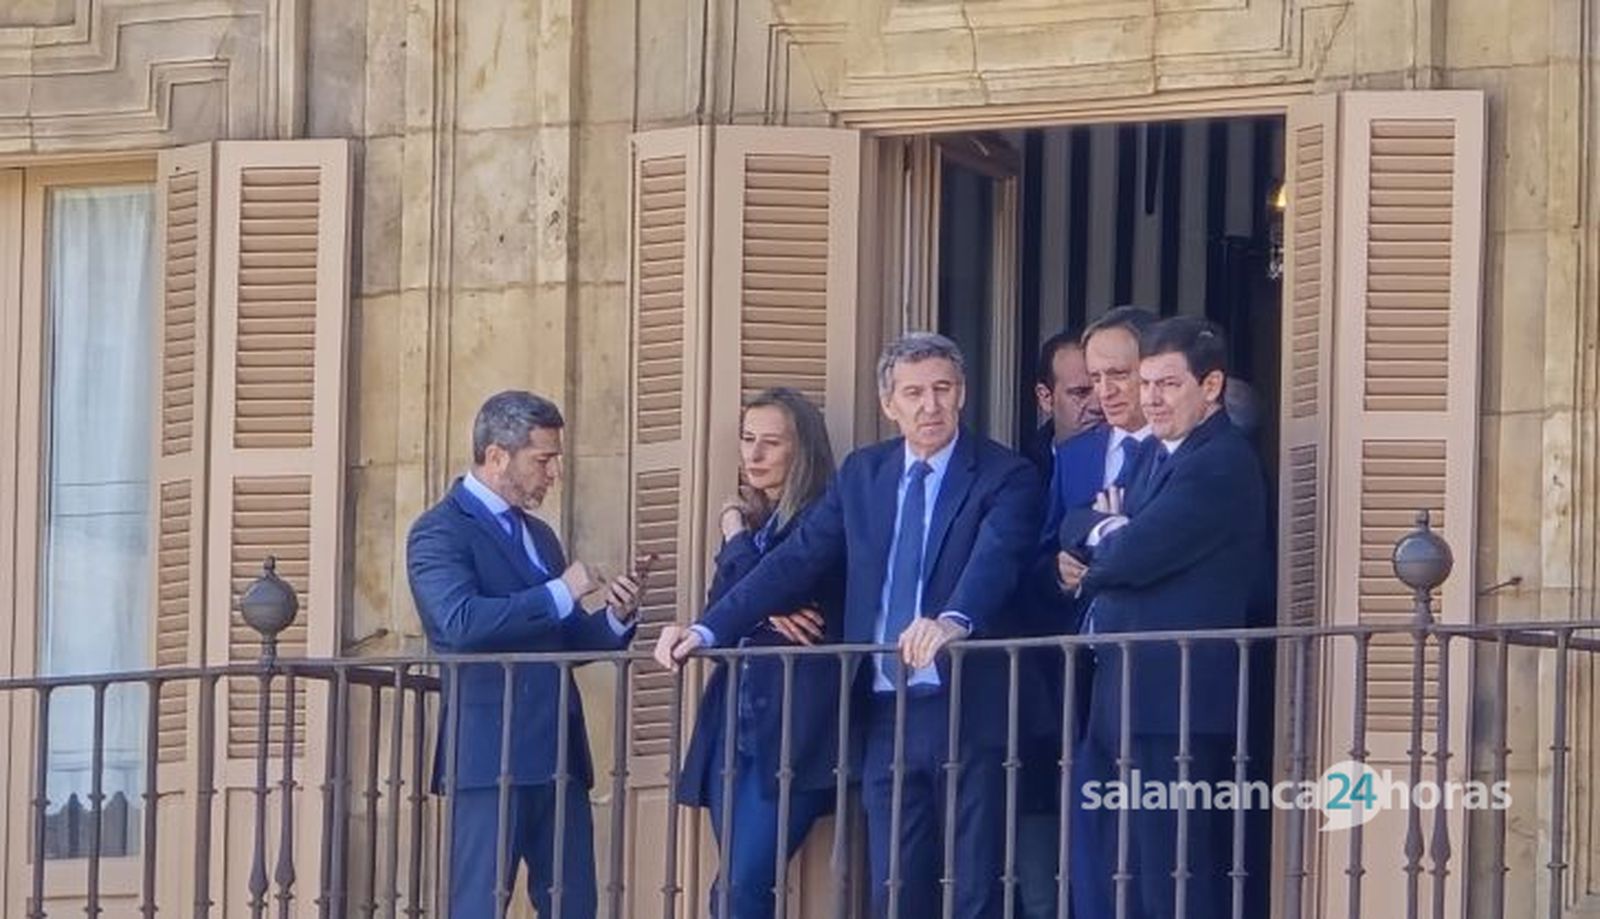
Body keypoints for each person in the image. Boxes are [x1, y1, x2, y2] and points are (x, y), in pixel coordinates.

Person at [655, 332, 1040, 919]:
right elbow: (797, 559)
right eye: (913, 393)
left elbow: (998, 557)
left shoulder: (1003, 473)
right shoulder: (865, 473)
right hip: (884, 710)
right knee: (893, 887)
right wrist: (708, 630)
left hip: (968, 702)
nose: (929, 405)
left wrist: (954, 620)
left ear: (961, 394)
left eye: (941, 389)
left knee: (974, 886)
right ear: (890, 404)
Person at [1057, 318, 1267, 919]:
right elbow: (1077, 523)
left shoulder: (1220, 461)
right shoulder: (1149, 451)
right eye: (1145, 383)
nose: (1150, 398)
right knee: (1112, 865)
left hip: (1174, 700)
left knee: (1169, 872)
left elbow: (1132, 556)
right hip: (1122, 692)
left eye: (1168, 385)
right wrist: (1106, 528)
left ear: (1212, 385)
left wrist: (1110, 540)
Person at [406, 390, 645, 919]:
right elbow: (459, 623)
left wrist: (613, 618)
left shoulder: (541, 534)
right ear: (497, 457)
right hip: (488, 753)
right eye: (543, 459)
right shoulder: (438, 531)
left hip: (558, 747)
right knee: (478, 906)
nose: (553, 473)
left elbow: (557, 642)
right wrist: (561, 591)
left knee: (573, 905)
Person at [676, 388, 846, 918]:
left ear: (803, 451)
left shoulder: (822, 519)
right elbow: (721, 615)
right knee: (744, 888)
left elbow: (782, 584)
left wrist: (731, 531)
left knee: (738, 890)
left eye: (771, 443)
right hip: (734, 722)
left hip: (794, 727)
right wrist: (762, 602)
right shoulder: (760, 527)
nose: (753, 455)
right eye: (748, 440)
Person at [1014, 305, 1159, 919]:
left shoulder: (1181, 448)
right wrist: (1057, 572)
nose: (1103, 395)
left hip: (1158, 666)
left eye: (1115, 377)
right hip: (1083, 673)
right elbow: (1038, 557)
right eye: (1092, 381)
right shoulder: (1074, 458)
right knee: (1091, 834)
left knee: (1156, 840)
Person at [1023, 329, 1102, 482]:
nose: (1098, 406)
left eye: (1104, 390)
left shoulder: (1146, 464)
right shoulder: (1019, 474)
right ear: (1045, 398)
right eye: (1080, 392)